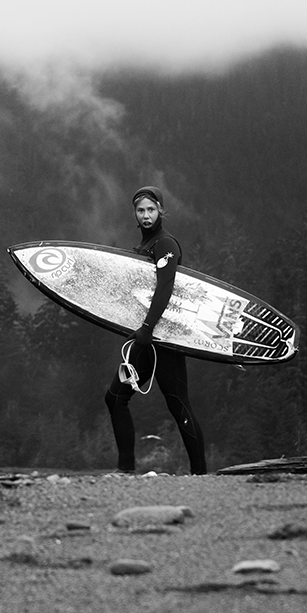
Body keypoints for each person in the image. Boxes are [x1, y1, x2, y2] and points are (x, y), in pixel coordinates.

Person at [103, 186, 207, 475]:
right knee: (116, 398)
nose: (146, 215)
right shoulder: (145, 246)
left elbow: (165, 288)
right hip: (147, 337)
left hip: (163, 338)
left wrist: (148, 328)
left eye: (151, 209)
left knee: (178, 405)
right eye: (141, 210)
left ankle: (200, 474)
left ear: (161, 210)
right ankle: (125, 470)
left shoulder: (165, 244)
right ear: (135, 214)